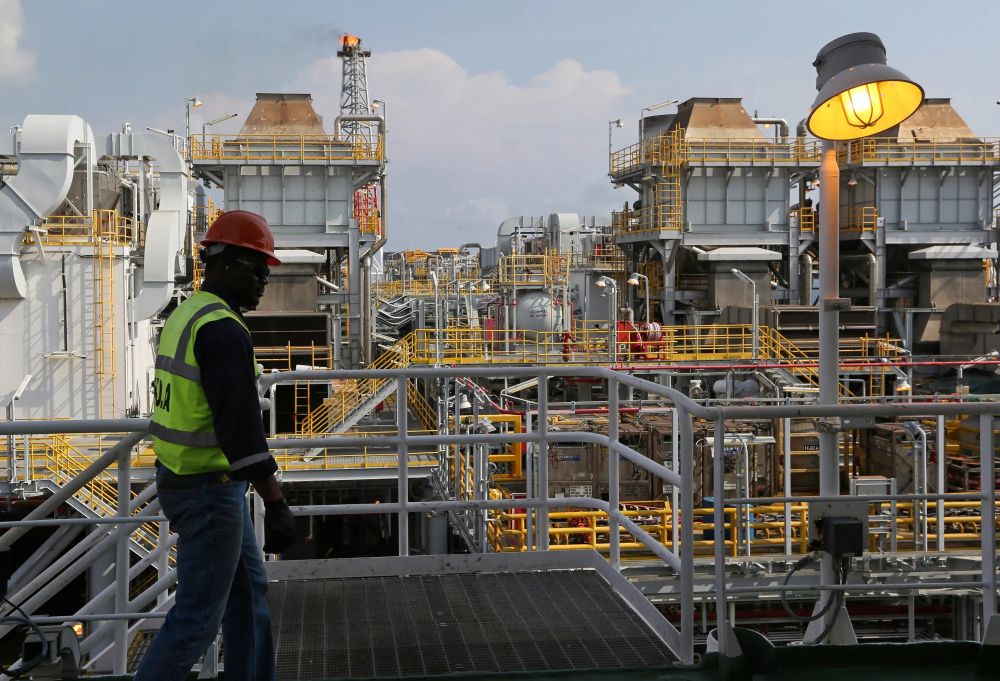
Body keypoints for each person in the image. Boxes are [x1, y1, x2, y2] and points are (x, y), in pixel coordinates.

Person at [136, 210, 297, 681]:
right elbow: (240, 430)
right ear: (224, 264)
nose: (265, 278)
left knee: (248, 598)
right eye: (257, 266)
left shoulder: (186, 312)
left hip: (193, 481)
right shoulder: (223, 330)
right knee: (197, 619)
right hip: (208, 491)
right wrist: (277, 503)